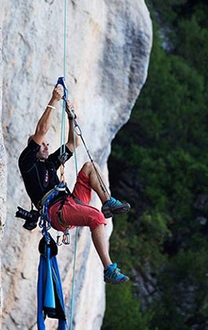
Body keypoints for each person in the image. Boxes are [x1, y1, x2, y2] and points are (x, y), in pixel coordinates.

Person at [18, 84, 131, 284]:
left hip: (69, 202)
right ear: (33, 147)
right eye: (42, 144)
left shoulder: (51, 163)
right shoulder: (28, 162)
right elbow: (42, 130)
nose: (46, 145)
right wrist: (54, 100)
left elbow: (73, 142)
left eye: (46, 144)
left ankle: (108, 202)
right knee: (95, 217)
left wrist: (71, 117)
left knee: (90, 166)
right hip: (56, 211)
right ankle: (108, 268)